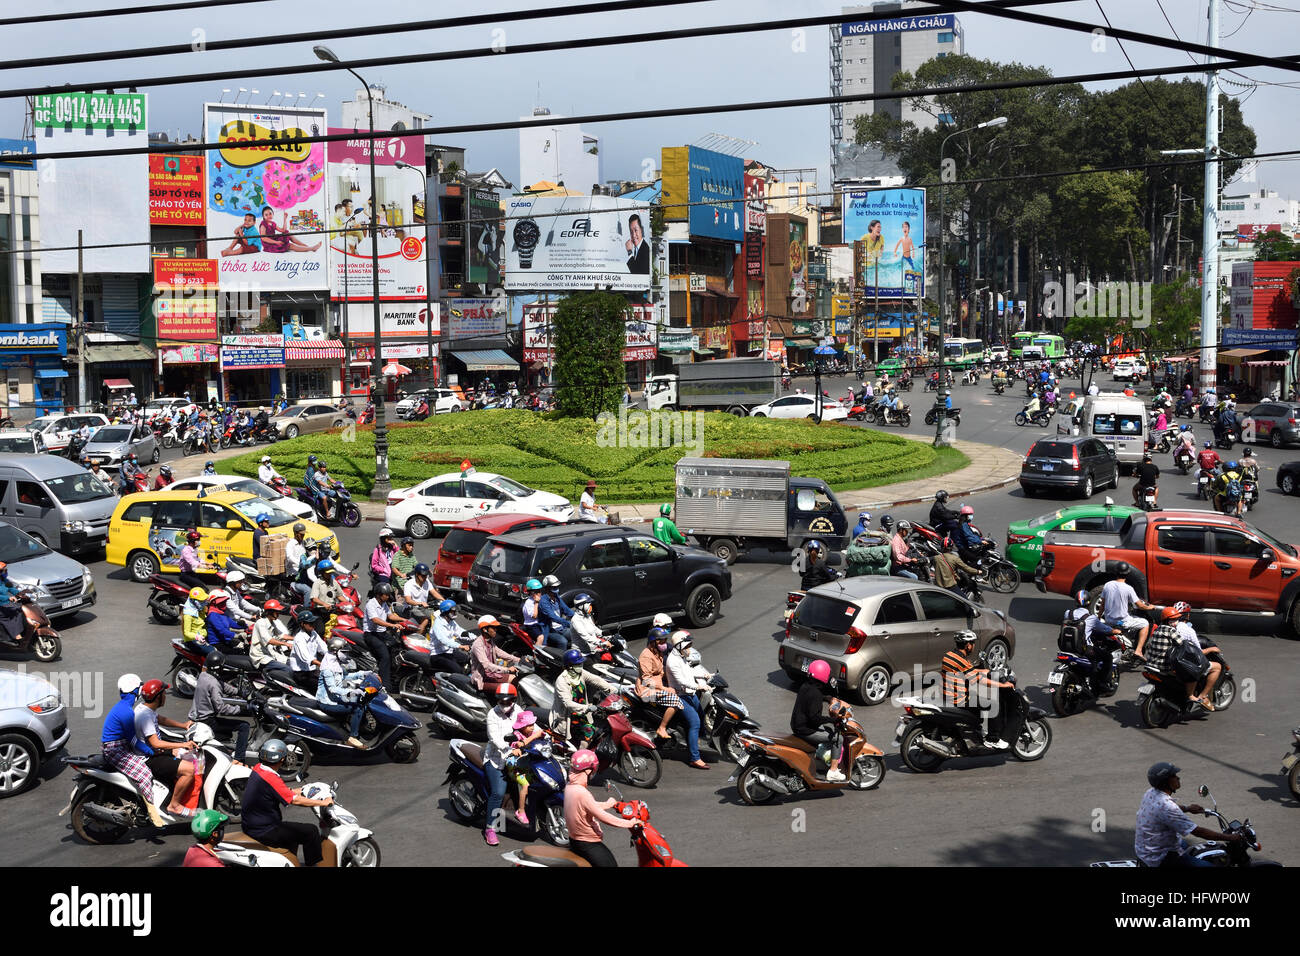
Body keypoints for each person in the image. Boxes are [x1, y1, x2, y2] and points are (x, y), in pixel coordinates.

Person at [241, 739, 335, 866]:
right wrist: (323, 803)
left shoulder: (259, 769)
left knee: (294, 833)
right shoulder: (271, 778)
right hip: (265, 829)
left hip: (252, 825)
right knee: (311, 831)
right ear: (282, 760)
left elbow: (278, 791)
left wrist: (300, 790)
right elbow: (294, 800)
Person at [1135, 762, 1241, 868]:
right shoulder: (1167, 807)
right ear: (1165, 782)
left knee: (1184, 844)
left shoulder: (1151, 793)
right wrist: (1230, 837)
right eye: (1174, 776)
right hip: (1159, 858)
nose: (1178, 778)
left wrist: (1188, 808)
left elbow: (1165, 810)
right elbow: (1198, 832)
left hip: (1145, 849)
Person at [100, 675, 169, 827]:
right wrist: (149, 751)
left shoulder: (124, 707)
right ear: (135, 691)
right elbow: (133, 740)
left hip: (118, 746)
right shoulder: (126, 711)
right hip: (116, 750)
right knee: (145, 773)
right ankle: (152, 811)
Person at [133, 679, 199, 817]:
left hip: (152, 752)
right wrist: (183, 744)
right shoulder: (145, 716)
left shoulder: (144, 707)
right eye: (164, 693)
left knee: (184, 754)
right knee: (190, 769)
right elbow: (156, 743)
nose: (165, 696)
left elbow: (160, 719)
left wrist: (183, 725)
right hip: (149, 758)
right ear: (158, 697)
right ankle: (174, 805)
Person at [563, 748, 638, 866]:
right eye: (593, 770)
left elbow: (585, 807)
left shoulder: (570, 786)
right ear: (587, 771)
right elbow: (603, 817)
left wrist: (608, 804)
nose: (594, 773)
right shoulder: (582, 793)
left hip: (575, 840)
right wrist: (630, 823)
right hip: (587, 843)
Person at [942, 630, 1013, 748]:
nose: (973, 646)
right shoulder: (961, 661)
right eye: (973, 643)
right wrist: (1004, 685)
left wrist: (983, 671)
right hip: (958, 699)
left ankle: (975, 731)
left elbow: (966, 671)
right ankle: (993, 739)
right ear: (968, 645)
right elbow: (980, 680)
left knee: (977, 699)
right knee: (993, 704)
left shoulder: (949, 655)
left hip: (948, 695)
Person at [188, 650, 251, 761]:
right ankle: (239, 759)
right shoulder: (213, 684)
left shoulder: (204, 675)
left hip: (196, 716)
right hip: (207, 721)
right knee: (244, 726)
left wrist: (238, 691)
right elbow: (221, 707)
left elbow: (223, 685)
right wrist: (241, 710)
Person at [790, 659, 845, 781]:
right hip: (806, 730)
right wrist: (832, 720)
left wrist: (828, 698)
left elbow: (811, 700)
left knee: (827, 731)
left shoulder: (806, 686)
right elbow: (815, 719)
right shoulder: (815, 694)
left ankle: (819, 760)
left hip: (798, 725)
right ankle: (833, 771)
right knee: (838, 738)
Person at [482, 683, 522, 847]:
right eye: (501, 702)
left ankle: (522, 812)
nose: (504, 705)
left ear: (513, 699)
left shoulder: (518, 710)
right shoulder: (492, 714)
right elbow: (494, 738)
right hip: (496, 759)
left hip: (516, 756)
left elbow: (529, 725)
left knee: (529, 783)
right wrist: (508, 749)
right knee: (498, 793)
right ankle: (490, 829)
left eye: (507, 702)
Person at [663, 630, 710, 769]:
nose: (689, 647)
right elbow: (682, 681)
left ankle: (694, 742)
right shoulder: (673, 661)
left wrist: (705, 675)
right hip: (680, 696)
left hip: (690, 694)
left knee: (701, 715)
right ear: (679, 645)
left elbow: (692, 670)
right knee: (695, 723)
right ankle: (694, 758)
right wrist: (699, 686)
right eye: (687, 645)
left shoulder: (683, 656)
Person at [553, 648, 617, 747]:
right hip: (569, 716)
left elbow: (596, 680)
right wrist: (587, 708)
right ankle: (580, 758)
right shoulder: (562, 681)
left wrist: (613, 690)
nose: (580, 666)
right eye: (578, 664)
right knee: (589, 731)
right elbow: (568, 704)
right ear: (569, 666)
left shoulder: (580, 673)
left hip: (583, 712)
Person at [315, 636, 370, 749]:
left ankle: (355, 727)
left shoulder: (335, 663)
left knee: (362, 701)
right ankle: (352, 738)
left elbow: (345, 676)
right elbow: (333, 689)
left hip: (335, 698)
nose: (347, 655)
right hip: (327, 702)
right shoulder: (328, 669)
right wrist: (353, 691)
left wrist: (363, 674)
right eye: (344, 652)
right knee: (357, 708)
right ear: (335, 651)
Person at [1101, 563, 1158, 661]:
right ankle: (1138, 650)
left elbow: (1102, 604)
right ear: (1127, 574)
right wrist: (1151, 607)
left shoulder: (1107, 585)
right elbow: (1140, 605)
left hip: (1109, 620)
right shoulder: (1128, 588)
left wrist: (1098, 617)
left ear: (1116, 573)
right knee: (1145, 623)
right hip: (1122, 621)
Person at [635, 627, 684, 743]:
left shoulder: (658, 652)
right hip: (648, 689)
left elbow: (661, 672)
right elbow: (647, 679)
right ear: (653, 642)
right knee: (676, 701)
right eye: (660, 641)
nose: (663, 643)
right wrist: (665, 689)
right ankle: (662, 728)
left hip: (657, 685)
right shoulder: (646, 656)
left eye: (664, 640)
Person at [362, 582, 409, 687]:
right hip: (371, 634)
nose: (388, 596)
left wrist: (404, 620)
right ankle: (385, 685)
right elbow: (375, 620)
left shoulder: (384, 604)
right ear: (379, 594)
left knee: (397, 647)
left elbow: (391, 616)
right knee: (385, 656)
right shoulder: (371, 604)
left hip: (382, 633)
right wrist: (392, 625)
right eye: (386, 594)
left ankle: (392, 675)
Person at [470, 615, 521, 691]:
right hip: (482, 680)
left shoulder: (490, 641)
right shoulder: (478, 644)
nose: (496, 630)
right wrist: (507, 670)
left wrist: (518, 660)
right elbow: (486, 665)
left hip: (492, 675)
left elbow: (500, 653)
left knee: (514, 679)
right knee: (507, 689)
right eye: (493, 628)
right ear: (485, 629)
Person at [250, 599, 295, 684]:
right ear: (269, 612)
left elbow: (281, 635)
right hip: (261, 657)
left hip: (271, 654)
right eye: (276, 612)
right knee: (288, 669)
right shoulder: (261, 623)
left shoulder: (272, 623)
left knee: (293, 663)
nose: (278, 614)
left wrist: (296, 639)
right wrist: (285, 643)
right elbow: (269, 640)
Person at [429, 599, 473, 672]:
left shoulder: (451, 622)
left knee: (468, 659)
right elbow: (444, 640)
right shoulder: (438, 624)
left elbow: (461, 632)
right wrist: (461, 646)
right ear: (446, 612)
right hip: (438, 655)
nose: (455, 613)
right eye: (453, 611)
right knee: (458, 670)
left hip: (449, 652)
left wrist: (476, 637)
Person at [288, 610, 327, 691]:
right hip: (301, 674)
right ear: (302, 624)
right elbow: (306, 658)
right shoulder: (299, 638)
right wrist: (322, 664)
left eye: (313, 622)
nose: (313, 625)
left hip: (311, 671)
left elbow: (323, 648)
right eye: (310, 623)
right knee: (322, 686)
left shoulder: (313, 633)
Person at [538, 575, 575, 650]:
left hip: (561, 628)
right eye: (554, 587)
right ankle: (561, 660)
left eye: (557, 586)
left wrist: (578, 617)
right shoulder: (543, 601)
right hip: (550, 630)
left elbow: (567, 610)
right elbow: (552, 617)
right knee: (563, 642)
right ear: (547, 588)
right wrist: (568, 623)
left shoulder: (556, 597)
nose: (556, 589)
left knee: (578, 635)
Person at [401, 562, 438, 634]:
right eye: (423, 576)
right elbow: (408, 600)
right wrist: (420, 603)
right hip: (410, 609)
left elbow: (434, 593)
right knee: (425, 620)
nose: (425, 578)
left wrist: (444, 601)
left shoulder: (426, 582)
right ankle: (418, 638)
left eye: (426, 576)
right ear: (417, 574)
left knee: (437, 615)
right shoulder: (409, 584)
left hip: (423, 608)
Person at [285, 523, 312, 605]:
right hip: (294, 571)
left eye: (304, 534)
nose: (303, 536)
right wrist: (300, 564)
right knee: (308, 589)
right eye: (301, 534)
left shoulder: (303, 543)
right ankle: (306, 606)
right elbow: (290, 557)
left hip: (303, 568)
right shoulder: (290, 544)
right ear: (296, 533)